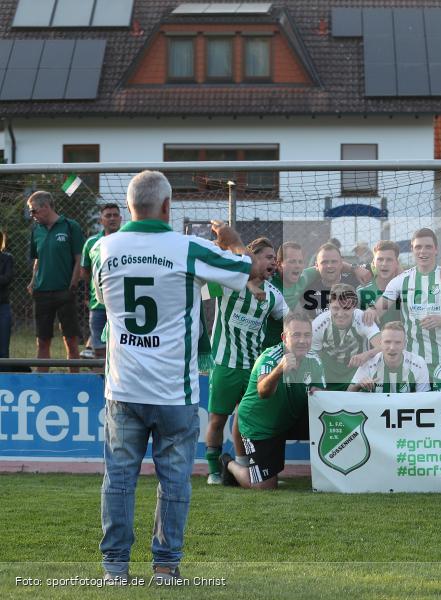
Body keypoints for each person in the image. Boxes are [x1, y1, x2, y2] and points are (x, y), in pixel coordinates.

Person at [94, 170, 265, 582]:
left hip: (123, 387)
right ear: (167, 206)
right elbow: (247, 270)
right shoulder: (188, 248)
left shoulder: (103, 247)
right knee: (173, 483)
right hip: (174, 390)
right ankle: (166, 568)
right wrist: (231, 240)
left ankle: (115, 569)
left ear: (130, 206)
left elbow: (102, 299)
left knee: (118, 480)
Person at [204, 237, 287, 486]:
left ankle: (243, 466)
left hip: (253, 367)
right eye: (268, 257)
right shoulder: (230, 283)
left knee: (245, 418)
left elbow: (290, 321)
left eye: (274, 258)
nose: (273, 262)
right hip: (224, 363)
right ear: (253, 258)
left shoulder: (273, 294)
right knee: (217, 419)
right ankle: (213, 470)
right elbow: (202, 287)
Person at [221, 312, 325, 489]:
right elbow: (263, 392)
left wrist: (319, 393)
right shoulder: (269, 358)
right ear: (284, 337)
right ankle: (228, 464)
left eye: (307, 335)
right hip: (261, 425)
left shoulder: (314, 359)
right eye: (296, 335)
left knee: (327, 420)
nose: (302, 340)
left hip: (289, 418)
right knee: (264, 487)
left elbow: (322, 394)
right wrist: (279, 370)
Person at [363, 228, 441, 371]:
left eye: (428, 247)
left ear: (436, 249)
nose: (423, 251)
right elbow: (378, 310)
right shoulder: (400, 281)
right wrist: (372, 311)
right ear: (412, 249)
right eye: (418, 247)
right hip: (411, 362)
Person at [27, 191, 85, 373]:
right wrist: (32, 280)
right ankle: (40, 384)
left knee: (71, 340)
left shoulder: (70, 226)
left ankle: (74, 382)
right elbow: (37, 258)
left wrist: (73, 284)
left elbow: (78, 258)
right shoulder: (36, 230)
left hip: (64, 291)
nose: (32, 215)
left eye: (34, 210)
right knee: (42, 341)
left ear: (46, 207)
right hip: (42, 292)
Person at [311, 284, 382, 390]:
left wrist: (367, 354)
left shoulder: (362, 319)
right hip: (329, 377)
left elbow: (384, 346)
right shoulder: (319, 323)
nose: (340, 314)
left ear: (354, 307)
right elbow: (313, 357)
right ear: (329, 305)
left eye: (346, 308)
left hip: (357, 376)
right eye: (335, 308)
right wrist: (316, 382)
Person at [81, 204, 122, 364]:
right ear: (101, 220)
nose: (112, 218)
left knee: (122, 350)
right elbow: (85, 272)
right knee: (99, 352)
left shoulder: (128, 240)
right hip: (98, 306)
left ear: (120, 218)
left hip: (122, 306)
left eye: (114, 215)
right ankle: (101, 387)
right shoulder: (92, 243)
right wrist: (90, 292)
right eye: (108, 215)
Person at [349, 322, 431, 392]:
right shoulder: (369, 362)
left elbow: (425, 398)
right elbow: (347, 393)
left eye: (398, 342)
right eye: (387, 342)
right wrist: (358, 386)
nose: (392, 347)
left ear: (404, 344)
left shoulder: (419, 363)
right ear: (380, 343)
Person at [299, 243, 362, 316]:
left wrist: (355, 268)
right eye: (324, 262)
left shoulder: (356, 283)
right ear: (316, 265)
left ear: (341, 263)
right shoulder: (307, 289)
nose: (329, 266)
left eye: (334, 261)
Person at [263, 242, 305, 348]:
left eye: (300, 262)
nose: (297, 266)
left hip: (289, 346)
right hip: (265, 349)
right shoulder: (268, 284)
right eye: (292, 261)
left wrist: (352, 268)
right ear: (279, 264)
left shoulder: (304, 278)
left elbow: (324, 266)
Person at [356, 240, 402, 324]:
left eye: (389, 260)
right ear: (373, 263)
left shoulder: (405, 288)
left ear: (397, 263)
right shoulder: (361, 290)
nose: (384, 264)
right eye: (380, 259)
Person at [0, 230, 12, 361]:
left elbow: (7, 278)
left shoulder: (7, 258)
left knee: (3, 349)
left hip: (2, 306)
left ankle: (4, 378)